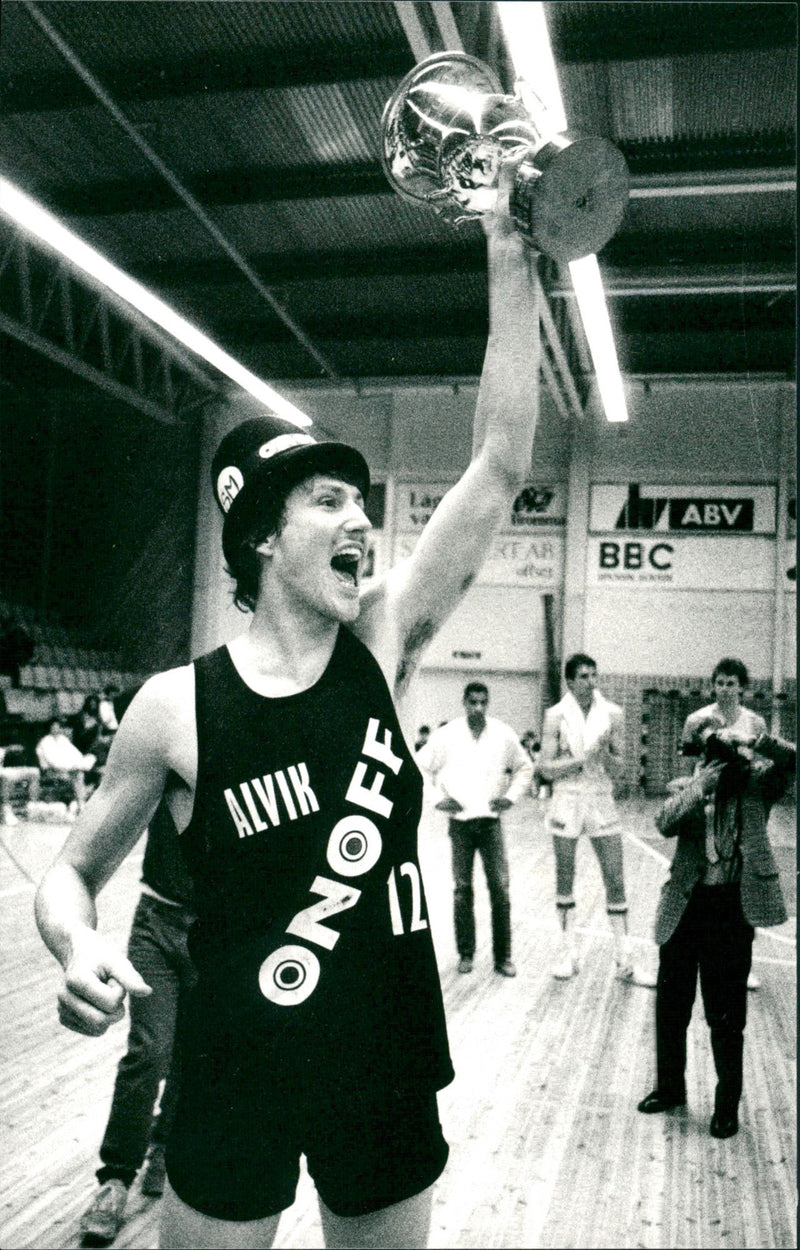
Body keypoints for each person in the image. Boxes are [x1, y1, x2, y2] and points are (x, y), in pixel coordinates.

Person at [34, 185, 542, 1250]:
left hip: (382, 1048)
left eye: (359, 502)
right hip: (235, 1061)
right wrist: (76, 943)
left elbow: (499, 461)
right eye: (326, 501)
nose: (359, 515)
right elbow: (72, 870)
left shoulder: (381, 642)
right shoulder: (176, 706)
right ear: (263, 538)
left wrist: (508, 252)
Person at [637, 717, 794, 1138]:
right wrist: (698, 787)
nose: (717, 762)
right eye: (709, 754)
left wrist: (754, 741)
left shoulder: (757, 785)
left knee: (726, 1014)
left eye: (723, 753)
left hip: (731, 907)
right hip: (687, 905)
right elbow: (663, 823)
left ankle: (726, 1107)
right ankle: (670, 1088)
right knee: (671, 1005)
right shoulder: (689, 787)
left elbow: (793, 760)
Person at [78, 799, 197, 1248]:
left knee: (193, 1050)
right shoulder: (171, 737)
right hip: (158, 919)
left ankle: (164, 1146)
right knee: (150, 1050)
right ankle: (114, 1181)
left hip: (220, 931)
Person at [539, 654, 654, 985]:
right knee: (565, 877)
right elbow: (545, 768)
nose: (591, 681)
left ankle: (625, 961)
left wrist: (604, 756)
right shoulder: (555, 716)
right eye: (584, 676)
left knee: (615, 879)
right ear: (570, 681)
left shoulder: (613, 714)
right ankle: (568, 954)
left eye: (594, 674)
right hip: (566, 799)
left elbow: (623, 769)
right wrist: (580, 759)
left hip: (601, 799)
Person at [416, 682, 533, 978]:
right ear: (464, 703)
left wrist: (510, 797)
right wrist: (438, 800)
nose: (478, 708)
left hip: (490, 822)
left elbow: (524, 767)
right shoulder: (447, 735)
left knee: (501, 891)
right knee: (462, 891)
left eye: (483, 702)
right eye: (473, 702)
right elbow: (419, 766)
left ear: (488, 703)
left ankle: (503, 957)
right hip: (460, 825)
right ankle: (466, 954)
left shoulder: (503, 734)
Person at [681, 656, 768, 990]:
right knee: (699, 878)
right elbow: (688, 768)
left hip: (741, 812)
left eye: (731, 683)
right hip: (705, 808)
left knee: (742, 883)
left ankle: (743, 963)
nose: (725, 689)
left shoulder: (755, 723)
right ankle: (697, 951)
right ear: (713, 684)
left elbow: (761, 768)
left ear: (742, 687)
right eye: (719, 682)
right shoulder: (696, 720)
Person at [35, 718, 95, 812]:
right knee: (78, 775)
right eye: (54, 727)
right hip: (54, 771)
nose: (56, 729)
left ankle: (82, 802)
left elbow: (75, 754)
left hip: (70, 768)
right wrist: (69, 767)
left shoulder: (63, 739)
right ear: (50, 728)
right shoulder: (45, 742)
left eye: (58, 727)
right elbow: (52, 761)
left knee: (89, 761)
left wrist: (75, 764)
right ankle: (81, 804)